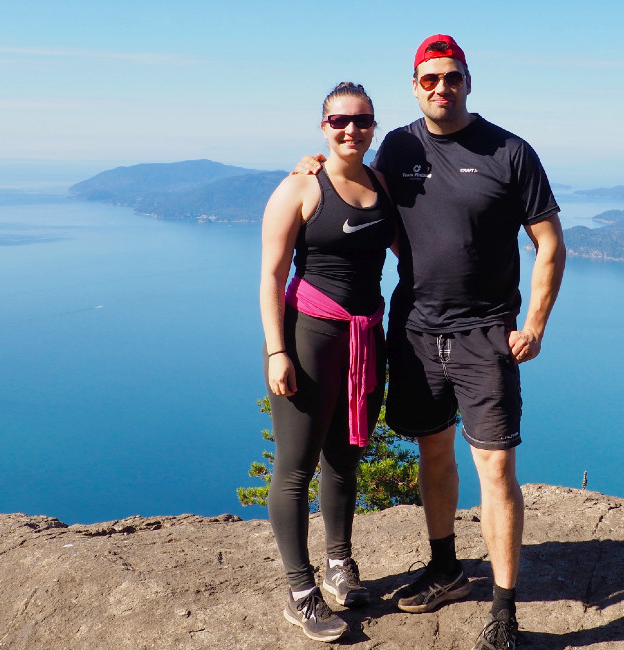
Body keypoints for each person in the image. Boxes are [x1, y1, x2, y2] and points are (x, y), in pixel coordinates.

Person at [297, 34, 565, 650]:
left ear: (468, 81)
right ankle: (446, 567)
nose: (441, 88)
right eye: (428, 79)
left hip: (484, 332)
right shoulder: (397, 145)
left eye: (452, 77)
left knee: (495, 469)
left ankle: (504, 611)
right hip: (415, 328)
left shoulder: (509, 151)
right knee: (433, 450)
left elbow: (550, 243)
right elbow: (356, 184)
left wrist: (535, 327)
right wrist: (311, 166)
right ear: (415, 86)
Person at [259, 81, 397, 643]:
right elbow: (270, 275)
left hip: (367, 337)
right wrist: (277, 350)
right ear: (323, 126)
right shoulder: (299, 188)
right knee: (295, 466)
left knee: (345, 455)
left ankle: (340, 565)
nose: (351, 130)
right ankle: (300, 591)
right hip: (311, 334)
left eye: (362, 121)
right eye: (340, 120)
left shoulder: (380, 183)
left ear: (372, 127)